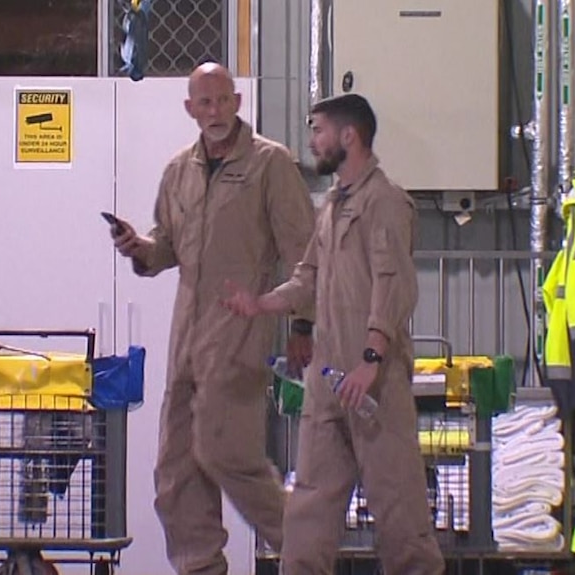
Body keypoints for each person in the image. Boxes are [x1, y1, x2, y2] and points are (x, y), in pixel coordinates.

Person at [222, 93, 445, 574]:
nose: (312, 141)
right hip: (328, 388)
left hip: (374, 388)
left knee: (400, 516)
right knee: (307, 516)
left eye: (318, 129)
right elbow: (307, 278)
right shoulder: (331, 208)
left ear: (349, 136)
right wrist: (260, 303)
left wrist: (372, 358)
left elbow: (394, 285)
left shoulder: (385, 203)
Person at [110, 62, 316, 575]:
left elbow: (304, 253)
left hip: (240, 334)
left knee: (228, 456)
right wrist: (139, 248)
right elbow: (167, 247)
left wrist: (303, 325)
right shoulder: (179, 170)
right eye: (205, 102)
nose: (216, 111)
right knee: (175, 470)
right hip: (186, 339)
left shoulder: (271, 165)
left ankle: (309, 554)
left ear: (238, 102)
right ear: (190, 109)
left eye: (224, 100)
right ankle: (200, 567)